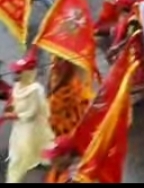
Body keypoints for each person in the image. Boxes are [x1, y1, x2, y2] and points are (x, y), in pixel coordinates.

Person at [6, 55, 56, 184]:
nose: (15, 75)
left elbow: (31, 113)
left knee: (25, 155)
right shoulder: (17, 86)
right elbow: (15, 101)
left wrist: (13, 116)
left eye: (19, 72)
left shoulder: (35, 90)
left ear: (26, 73)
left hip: (31, 126)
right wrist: (12, 107)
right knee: (20, 154)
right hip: (20, 127)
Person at [47, 57, 91, 141]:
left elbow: (65, 76)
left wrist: (53, 90)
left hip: (65, 91)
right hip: (61, 87)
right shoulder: (61, 54)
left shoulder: (66, 58)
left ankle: (70, 139)